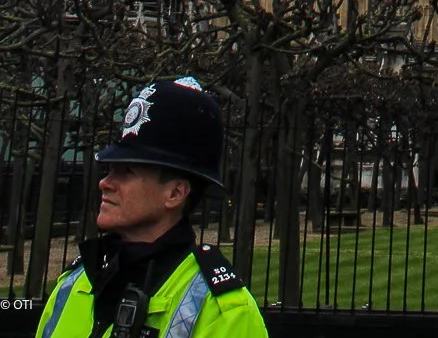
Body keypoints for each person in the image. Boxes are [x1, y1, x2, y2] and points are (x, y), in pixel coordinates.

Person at [36, 79, 267, 338]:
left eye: (126, 172)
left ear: (175, 193)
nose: (105, 183)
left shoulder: (225, 312)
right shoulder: (74, 282)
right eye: (110, 170)